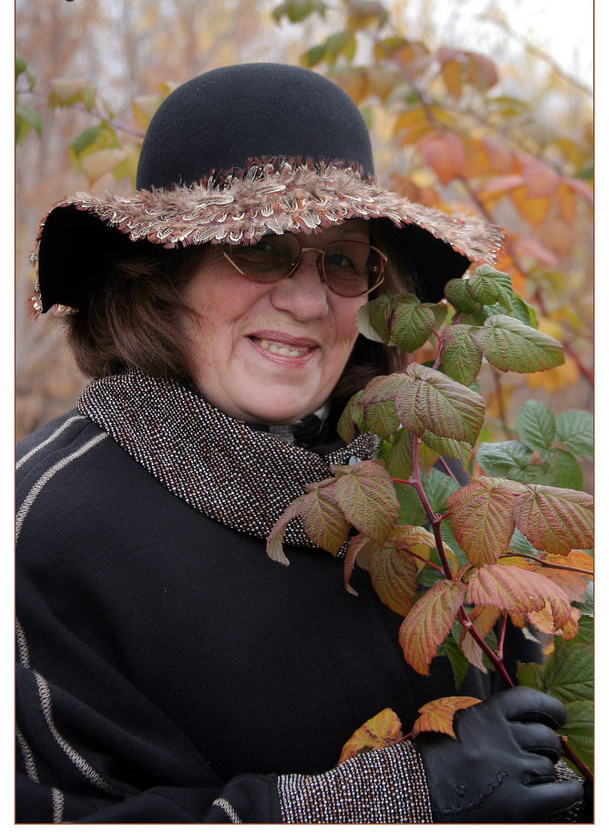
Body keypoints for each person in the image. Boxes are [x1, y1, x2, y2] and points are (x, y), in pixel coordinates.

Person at [16, 63, 586, 824]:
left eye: (344, 259)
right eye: (260, 248)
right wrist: (392, 800)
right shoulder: (48, 526)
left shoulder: (421, 476)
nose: (308, 299)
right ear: (160, 270)